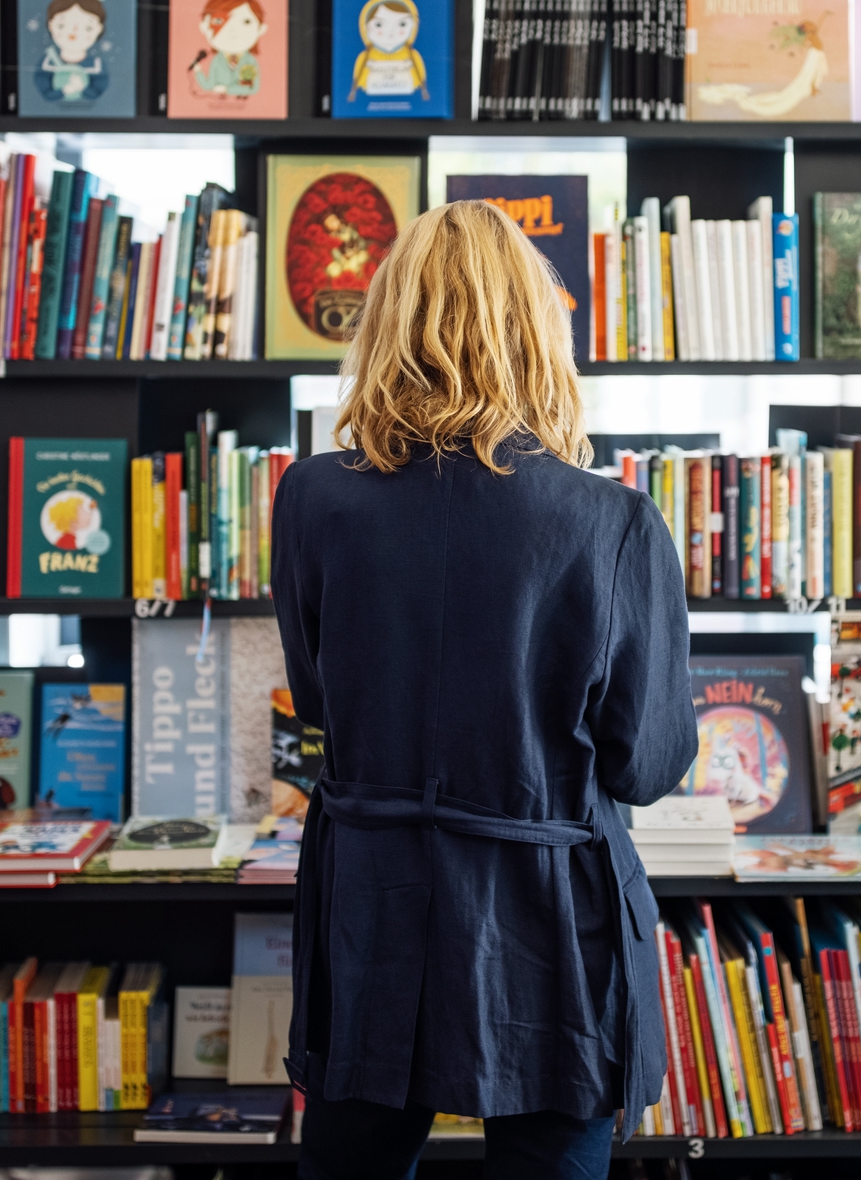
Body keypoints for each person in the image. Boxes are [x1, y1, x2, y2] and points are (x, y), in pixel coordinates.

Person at [272, 200, 695, 1180]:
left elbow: (321, 701)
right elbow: (645, 764)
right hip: (550, 920)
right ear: (535, 333)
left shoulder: (310, 497)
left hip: (369, 905)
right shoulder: (615, 520)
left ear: (385, 324)